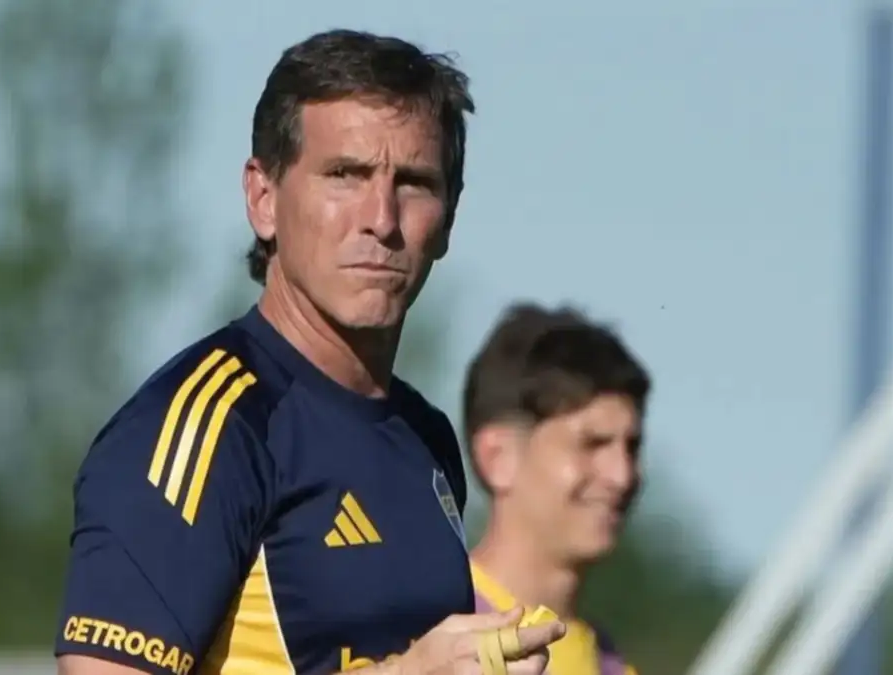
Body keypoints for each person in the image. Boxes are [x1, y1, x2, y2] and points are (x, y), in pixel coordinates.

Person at [54, 30, 564, 675]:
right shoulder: (204, 425)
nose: (381, 218)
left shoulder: (426, 436)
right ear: (263, 199)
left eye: (414, 183)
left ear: (449, 217)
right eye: (345, 175)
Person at [462, 303, 651, 675]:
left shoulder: (615, 668)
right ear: (498, 457)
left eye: (631, 446)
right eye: (592, 444)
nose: (622, 475)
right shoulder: (432, 640)